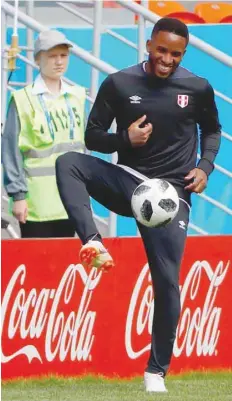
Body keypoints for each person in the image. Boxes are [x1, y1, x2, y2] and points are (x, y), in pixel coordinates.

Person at [55, 18, 221, 391]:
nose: (167, 60)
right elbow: (92, 137)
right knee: (68, 163)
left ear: (184, 53)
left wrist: (205, 168)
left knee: (167, 282)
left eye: (175, 54)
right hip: (129, 181)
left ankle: (155, 372)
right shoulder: (119, 83)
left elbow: (212, 130)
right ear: (148, 45)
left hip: (172, 195)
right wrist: (124, 139)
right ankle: (92, 241)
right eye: (161, 50)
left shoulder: (197, 87)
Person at [2, 30, 86, 238]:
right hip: (36, 205)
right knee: (37, 267)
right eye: (52, 56)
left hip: (70, 200)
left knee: (64, 264)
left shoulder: (77, 95)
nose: (59, 62)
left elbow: (82, 149)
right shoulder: (22, 99)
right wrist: (18, 196)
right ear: (38, 58)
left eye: (63, 55)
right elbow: (10, 152)